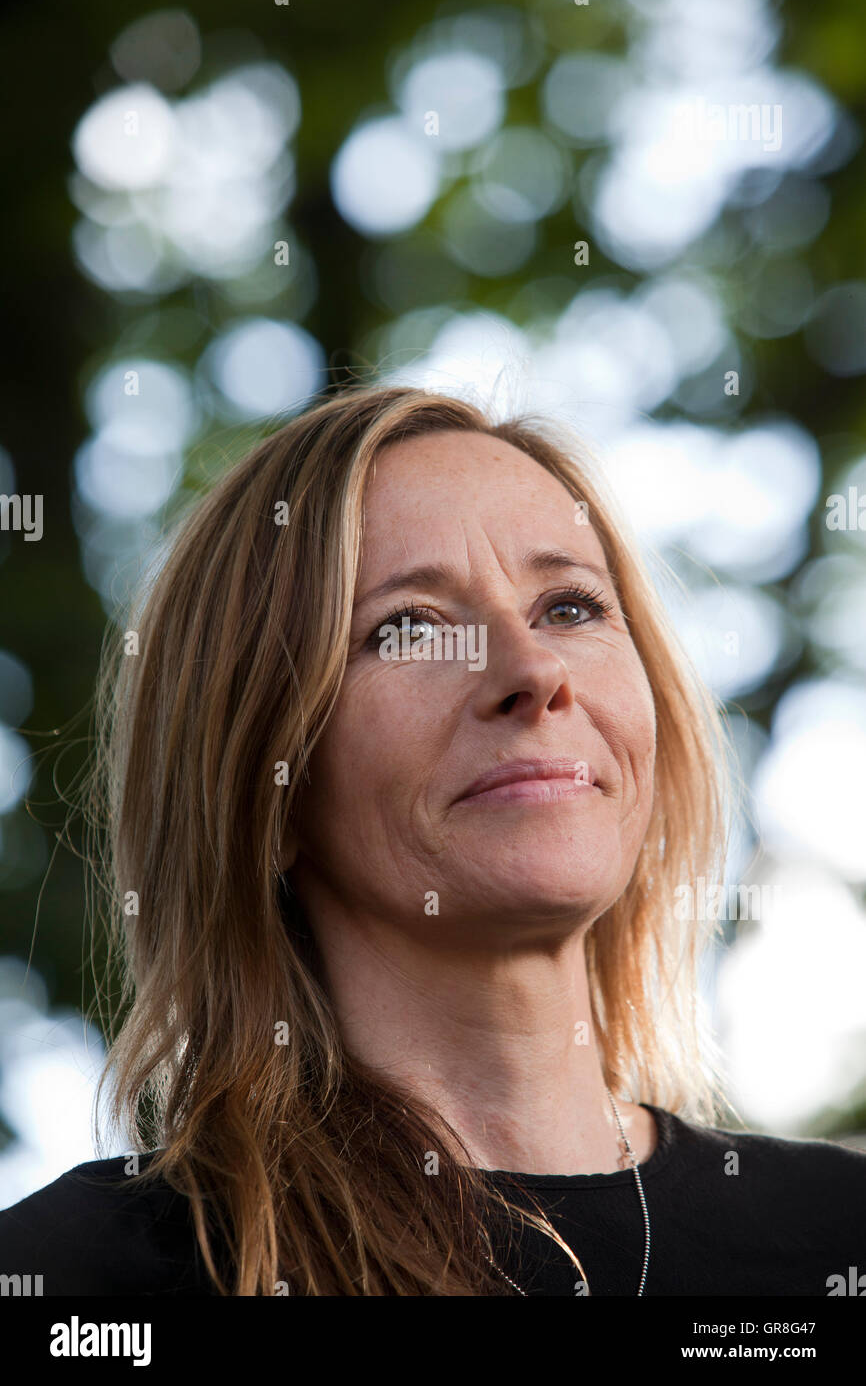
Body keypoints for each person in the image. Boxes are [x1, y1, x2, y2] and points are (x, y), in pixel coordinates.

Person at [1, 383, 864, 1296]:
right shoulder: (78, 1280)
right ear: (268, 784)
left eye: (569, 606)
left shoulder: (839, 1234)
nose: (534, 671)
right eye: (409, 627)